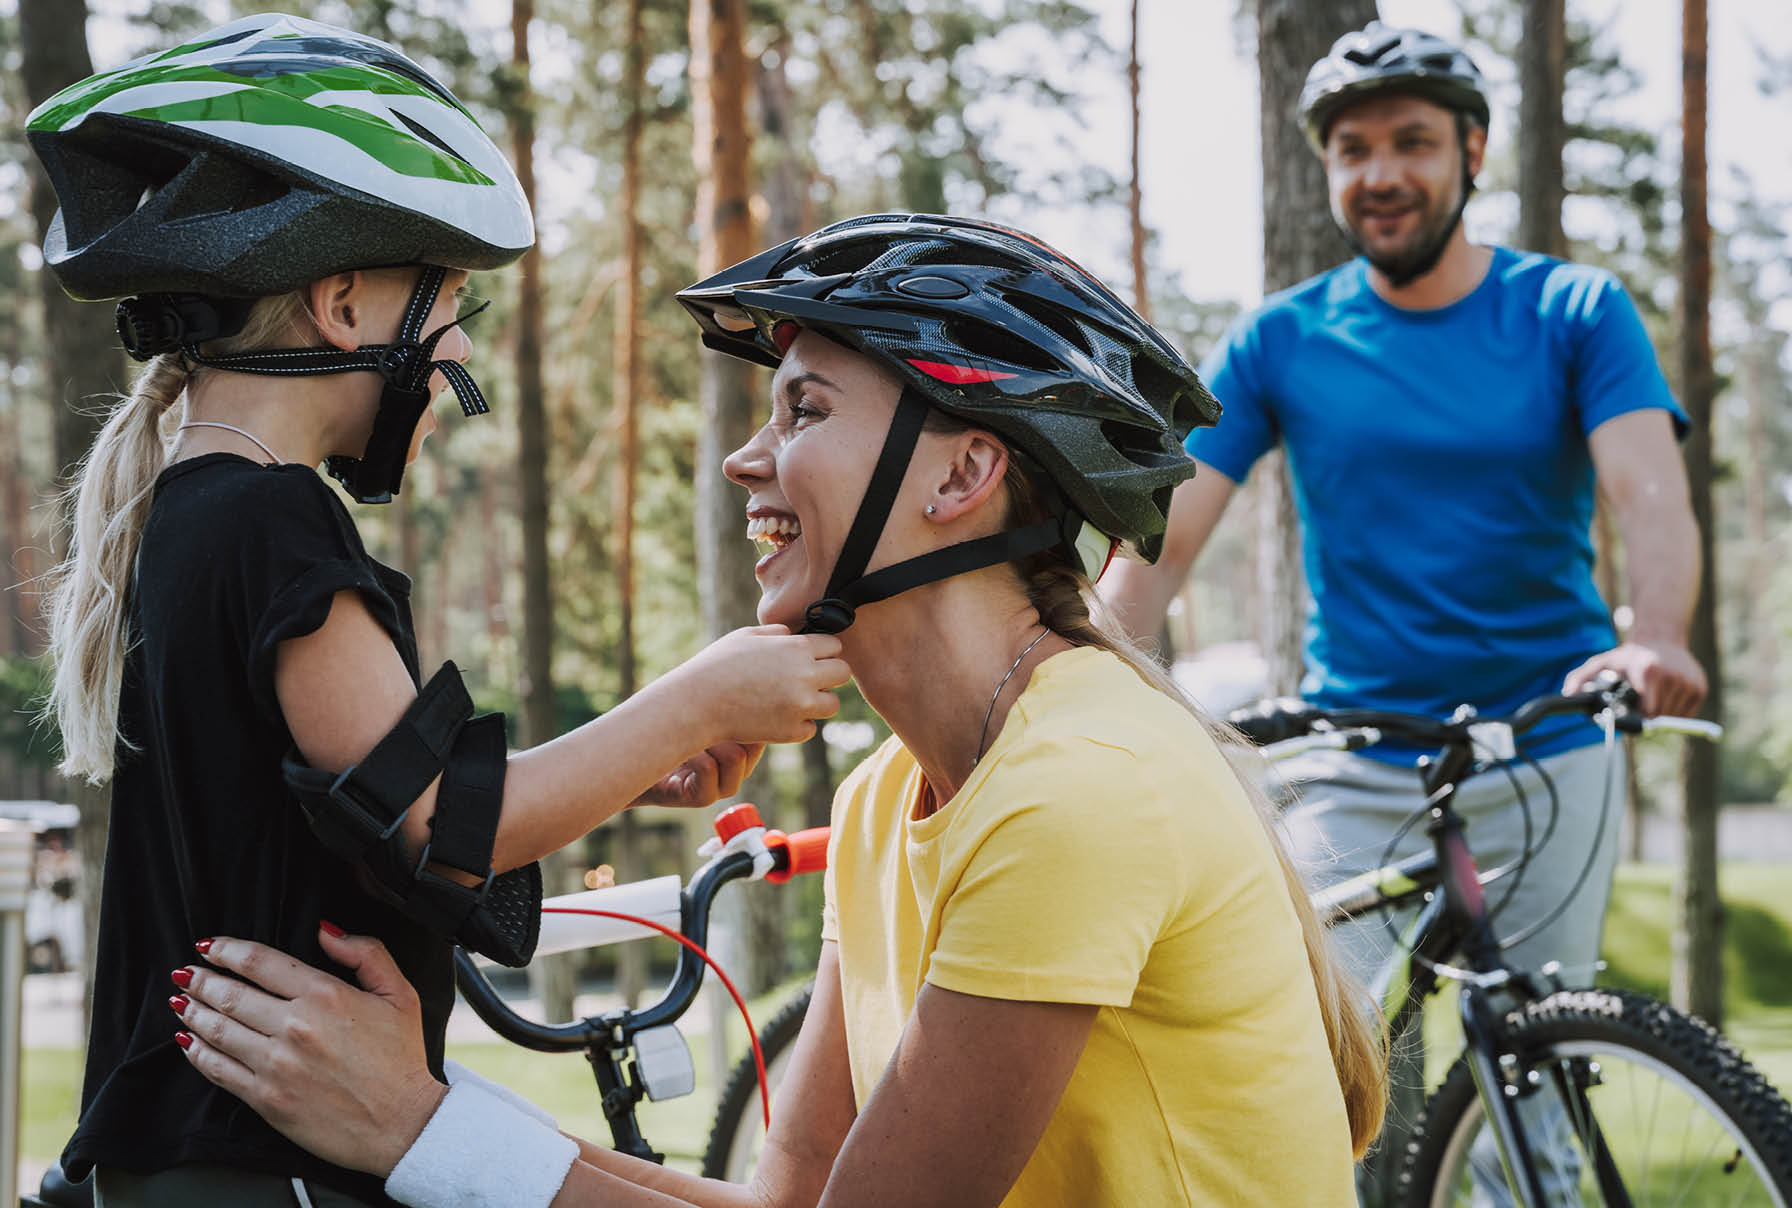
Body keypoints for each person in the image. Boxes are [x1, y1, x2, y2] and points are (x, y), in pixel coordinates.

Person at [170, 214, 1386, 1207]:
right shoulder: (881, 804)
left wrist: (417, 1127)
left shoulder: (1076, 786)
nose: (744, 461)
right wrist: (436, 1116)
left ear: (963, 474)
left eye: (803, 411)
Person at [29, 16, 846, 1206]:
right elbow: (447, 824)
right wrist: (699, 696)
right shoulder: (272, 522)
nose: (457, 345)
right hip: (270, 1165)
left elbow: (374, 811)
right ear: (345, 303)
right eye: (448, 301)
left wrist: (634, 761)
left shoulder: (192, 517)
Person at [1099, 21, 1706, 1204]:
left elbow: (1647, 490)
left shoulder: (1572, 309)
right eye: (1353, 148)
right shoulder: (1283, 335)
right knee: (1301, 1068)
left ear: (1470, 151)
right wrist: (1082, 669)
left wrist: (1657, 632)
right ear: (1328, 169)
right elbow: (1163, 538)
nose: (1380, 172)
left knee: (1527, 1091)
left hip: (1547, 740)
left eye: (1413, 142)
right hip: (1355, 750)